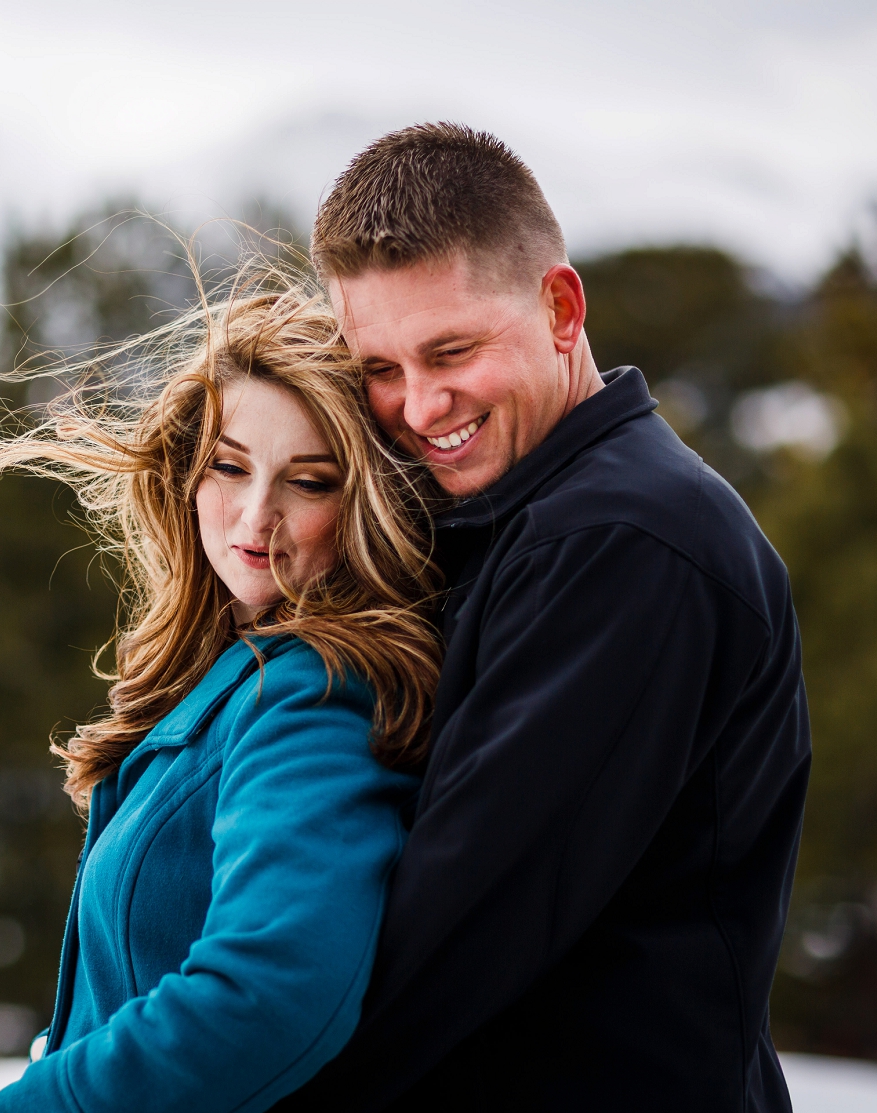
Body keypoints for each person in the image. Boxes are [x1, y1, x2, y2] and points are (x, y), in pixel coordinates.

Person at [270, 124, 812, 1112]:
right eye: (379, 369)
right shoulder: (492, 521)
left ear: (559, 308)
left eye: (452, 351)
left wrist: (215, 1080)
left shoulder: (625, 542)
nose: (420, 406)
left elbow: (450, 937)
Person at [0, 270, 447, 1112]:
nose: (257, 517)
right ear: (188, 471)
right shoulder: (230, 670)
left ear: (363, 499)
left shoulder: (311, 694)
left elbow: (274, 989)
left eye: (310, 480)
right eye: (230, 466)